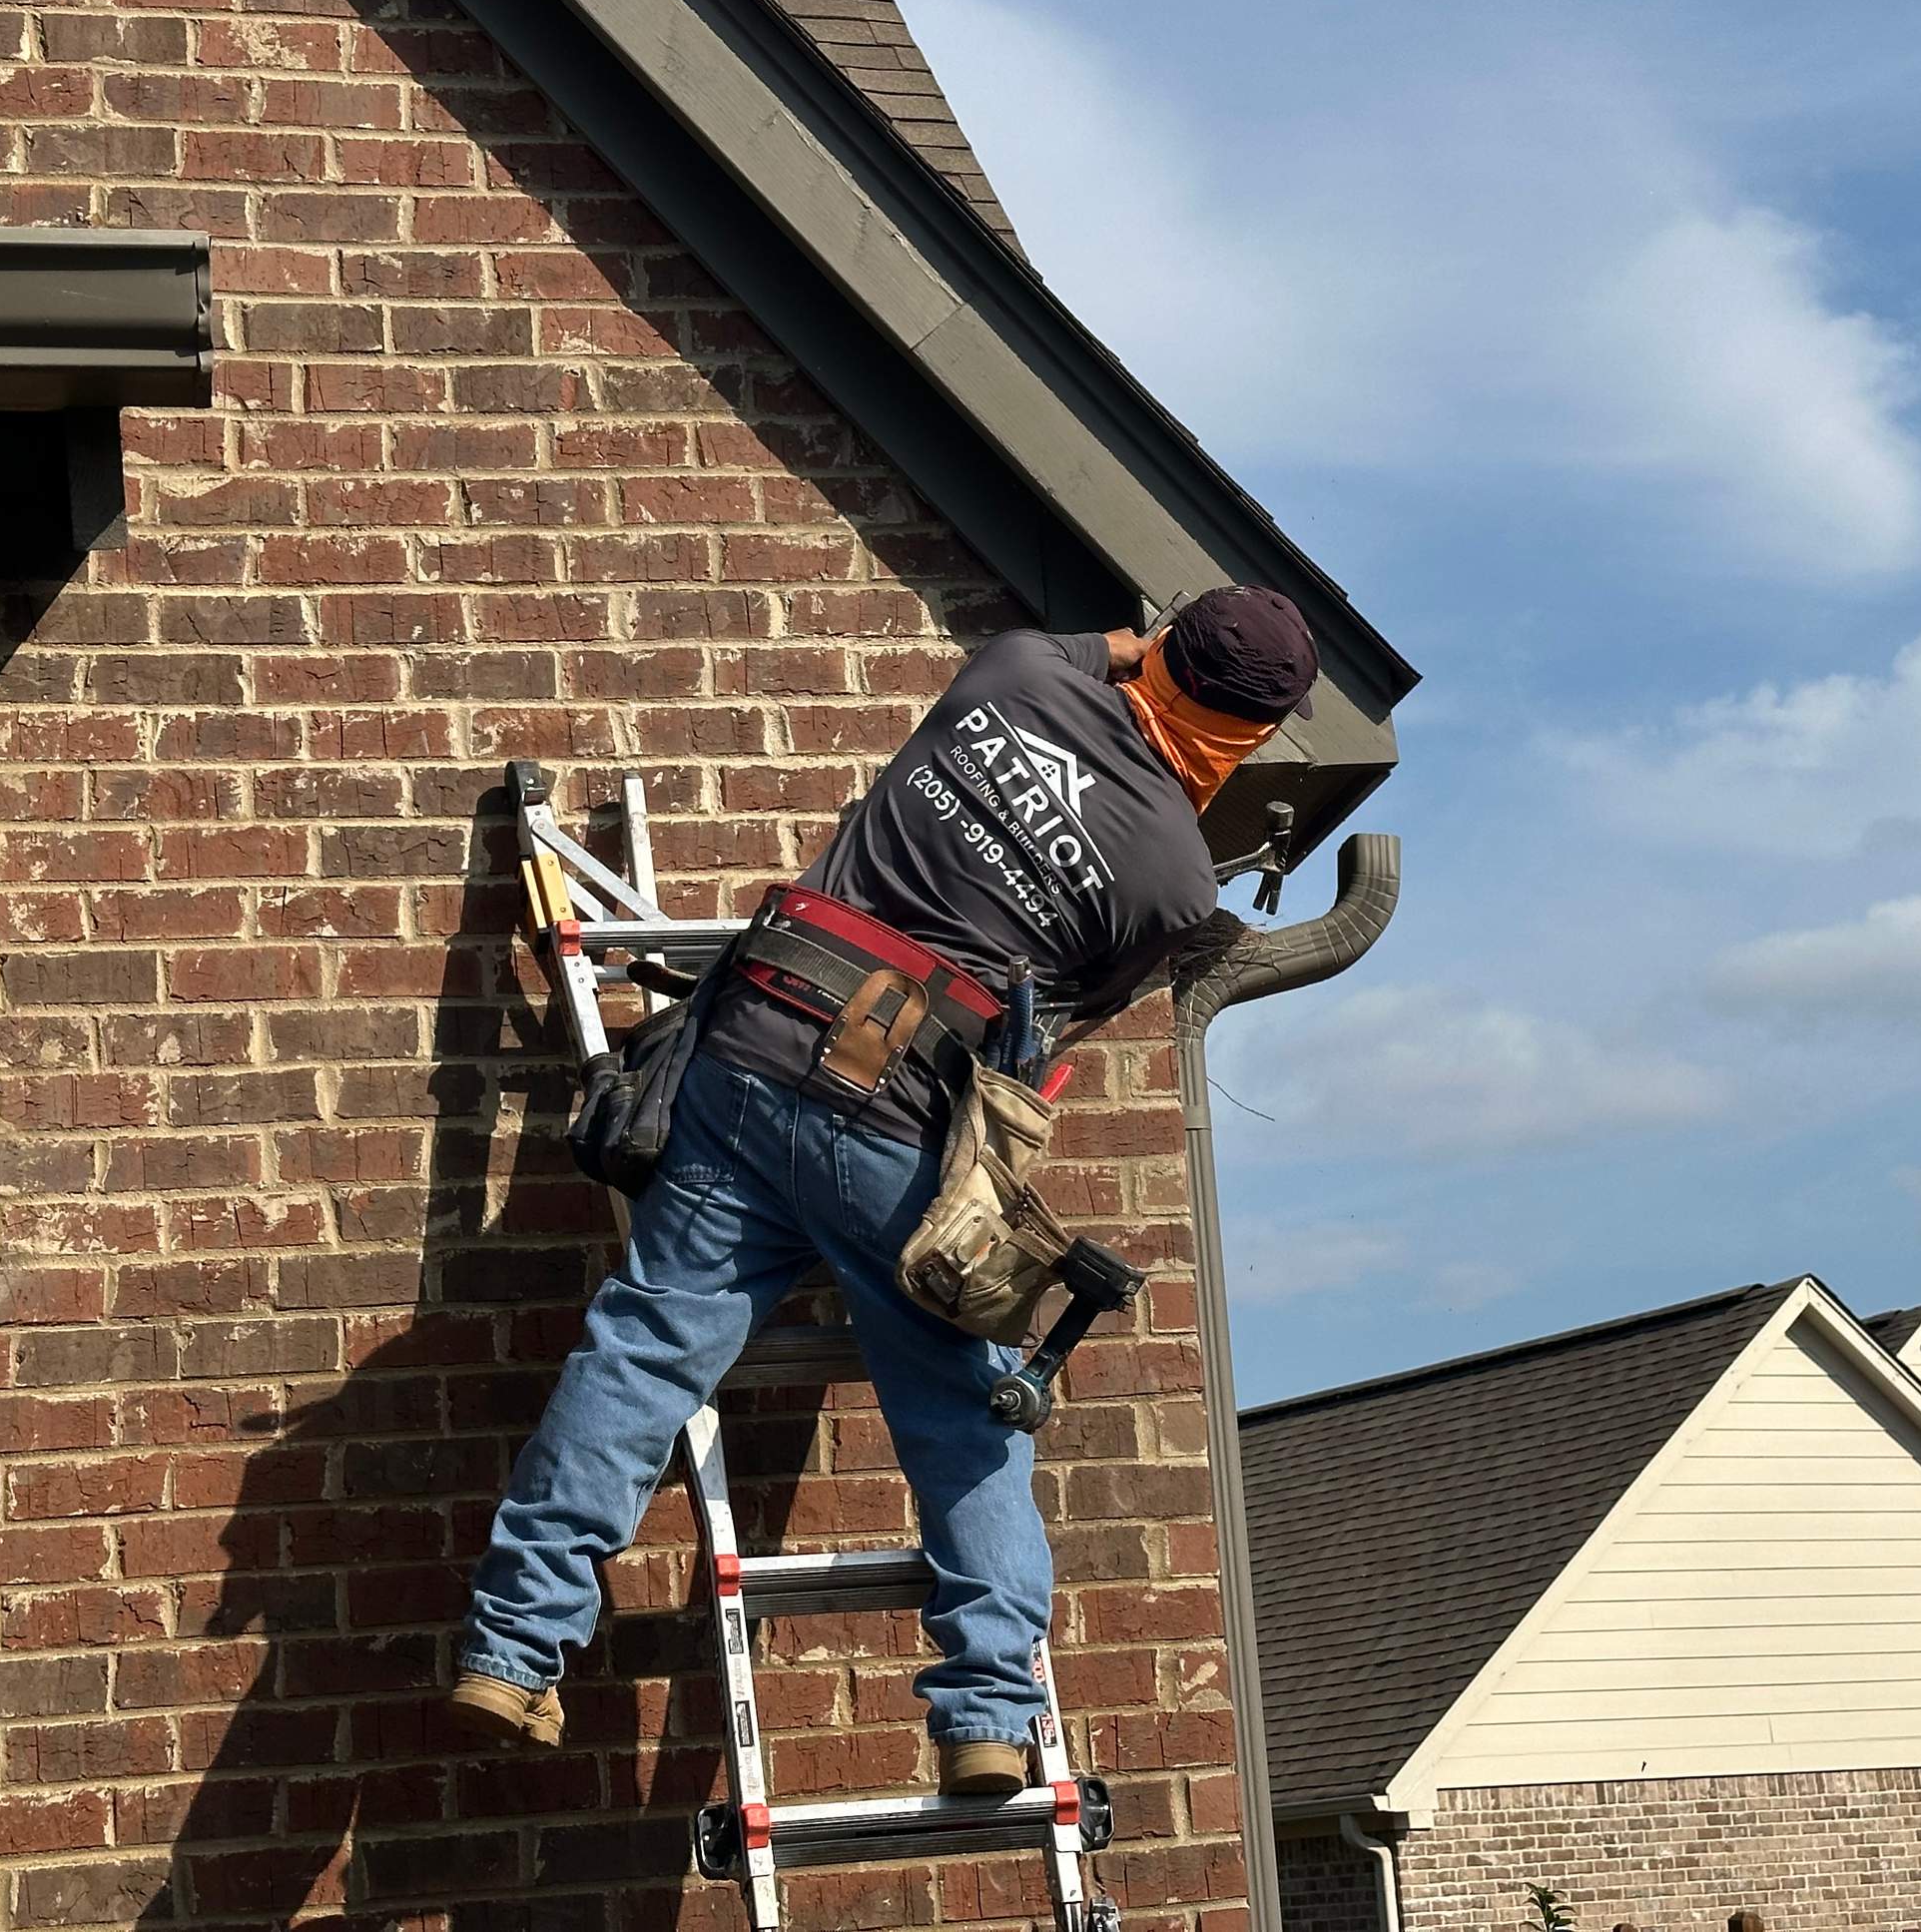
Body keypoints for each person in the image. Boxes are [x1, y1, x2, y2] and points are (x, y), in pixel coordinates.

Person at [446, 586, 1320, 1794]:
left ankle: (512, 1643)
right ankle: (986, 1713)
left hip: (746, 1056)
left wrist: (1129, 644)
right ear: (1256, 737)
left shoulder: (1013, 674)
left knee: (639, 1357)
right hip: (889, 1126)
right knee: (965, 1416)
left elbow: (1089, 645)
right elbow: (1056, 1013)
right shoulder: (1173, 881)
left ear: (1156, 650)